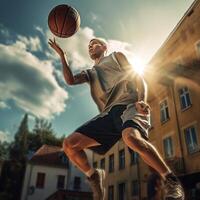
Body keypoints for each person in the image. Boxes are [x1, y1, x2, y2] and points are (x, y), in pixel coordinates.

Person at [48, 37, 185, 200]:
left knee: (131, 138)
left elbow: (137, 76)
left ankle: (171, 182)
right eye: (89, 46)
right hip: (108, 114)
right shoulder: (90, 73)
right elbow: (70, 80)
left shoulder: (116, 56)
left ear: (104, 47)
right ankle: (93, 176)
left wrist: (141, 99)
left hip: (129, 104)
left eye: (94, 43)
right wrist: (62, 56)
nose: (91, 46)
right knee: (69, 145)